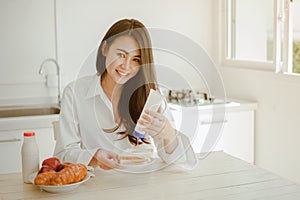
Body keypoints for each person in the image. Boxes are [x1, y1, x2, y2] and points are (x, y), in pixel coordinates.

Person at [54, 18, 197, 171]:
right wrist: (94, 157)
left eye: (135, 59)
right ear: (105, 49)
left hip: (140, 185)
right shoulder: (75, 93)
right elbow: (63, 154)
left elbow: (182, 163)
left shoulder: (149, 96)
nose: (126, 66)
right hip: (95, 188)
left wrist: (169, 134)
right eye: (121, 55)